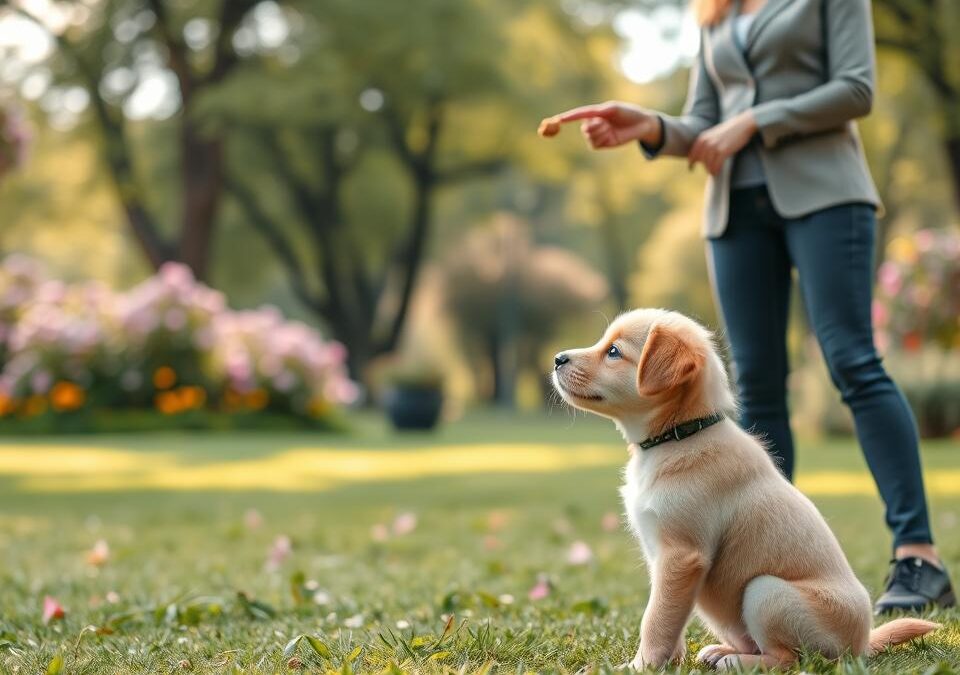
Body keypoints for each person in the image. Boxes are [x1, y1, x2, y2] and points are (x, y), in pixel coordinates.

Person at [546, 0, 954, 614]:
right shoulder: (714, 8)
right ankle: (769, 566)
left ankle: (918, 557)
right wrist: (652, 127)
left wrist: (758, 121)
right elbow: (706, 122)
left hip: (826, 192)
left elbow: (856, 88)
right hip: (735, 207)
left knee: (851, 360)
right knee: (757, 380)